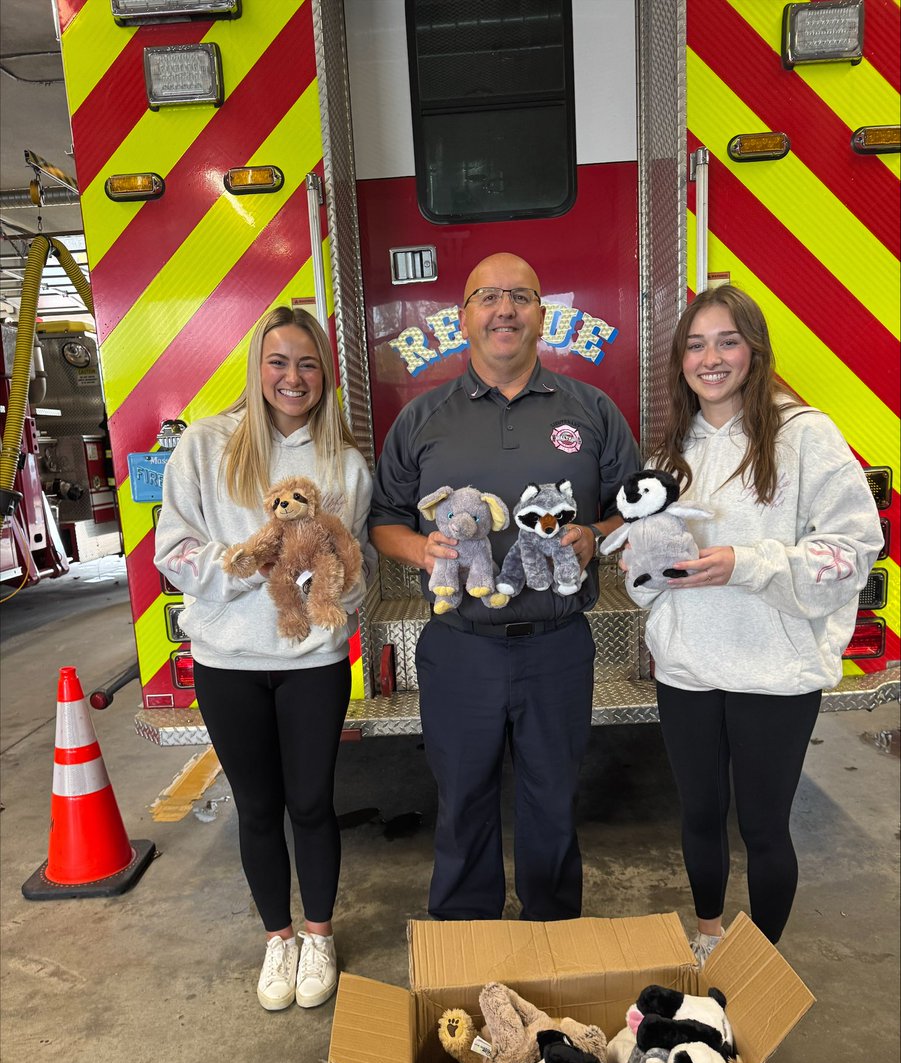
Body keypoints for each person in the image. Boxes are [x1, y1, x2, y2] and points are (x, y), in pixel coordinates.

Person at [369, 252, 641, 921]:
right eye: (486, 296)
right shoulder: (423, 418)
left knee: (552, 799)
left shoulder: (591, 410)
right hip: (460, 645)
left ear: (540, 316)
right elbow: (383, 521)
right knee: (461, 799)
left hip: (557, 644)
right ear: (463, 319)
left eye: (520, 295)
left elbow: (635, 508)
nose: (503, 309)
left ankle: (551, 929)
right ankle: (466, 933)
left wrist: (595, 534)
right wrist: (419, 546)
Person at [626, 285, 883, 962]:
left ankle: (759, 958)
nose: (710, 358)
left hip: (774, 671)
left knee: (764, 826)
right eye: (695, 344)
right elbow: (641, 577)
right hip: (686, 669)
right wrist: (648, 569)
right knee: (700, 815)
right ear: (680, 359)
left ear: (754, 351)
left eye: (726, 341)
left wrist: (744, 561)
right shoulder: (667, 454)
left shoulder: (804, 435)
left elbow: (854, 549)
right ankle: (709, 938)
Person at [154, 307, 373, 1010]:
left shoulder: (342, 461)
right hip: (226, 659)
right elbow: (173, 550)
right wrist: (246, 566)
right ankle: (277, 938)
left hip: (313, 661)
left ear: (324, 375)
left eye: (307, 364)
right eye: (278, 362)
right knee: (256, 806)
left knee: (310, 803)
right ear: (256, 368)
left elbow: (357, 559)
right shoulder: (206, 445)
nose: (292, 377)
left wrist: (327, 582)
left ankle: (318, 934)